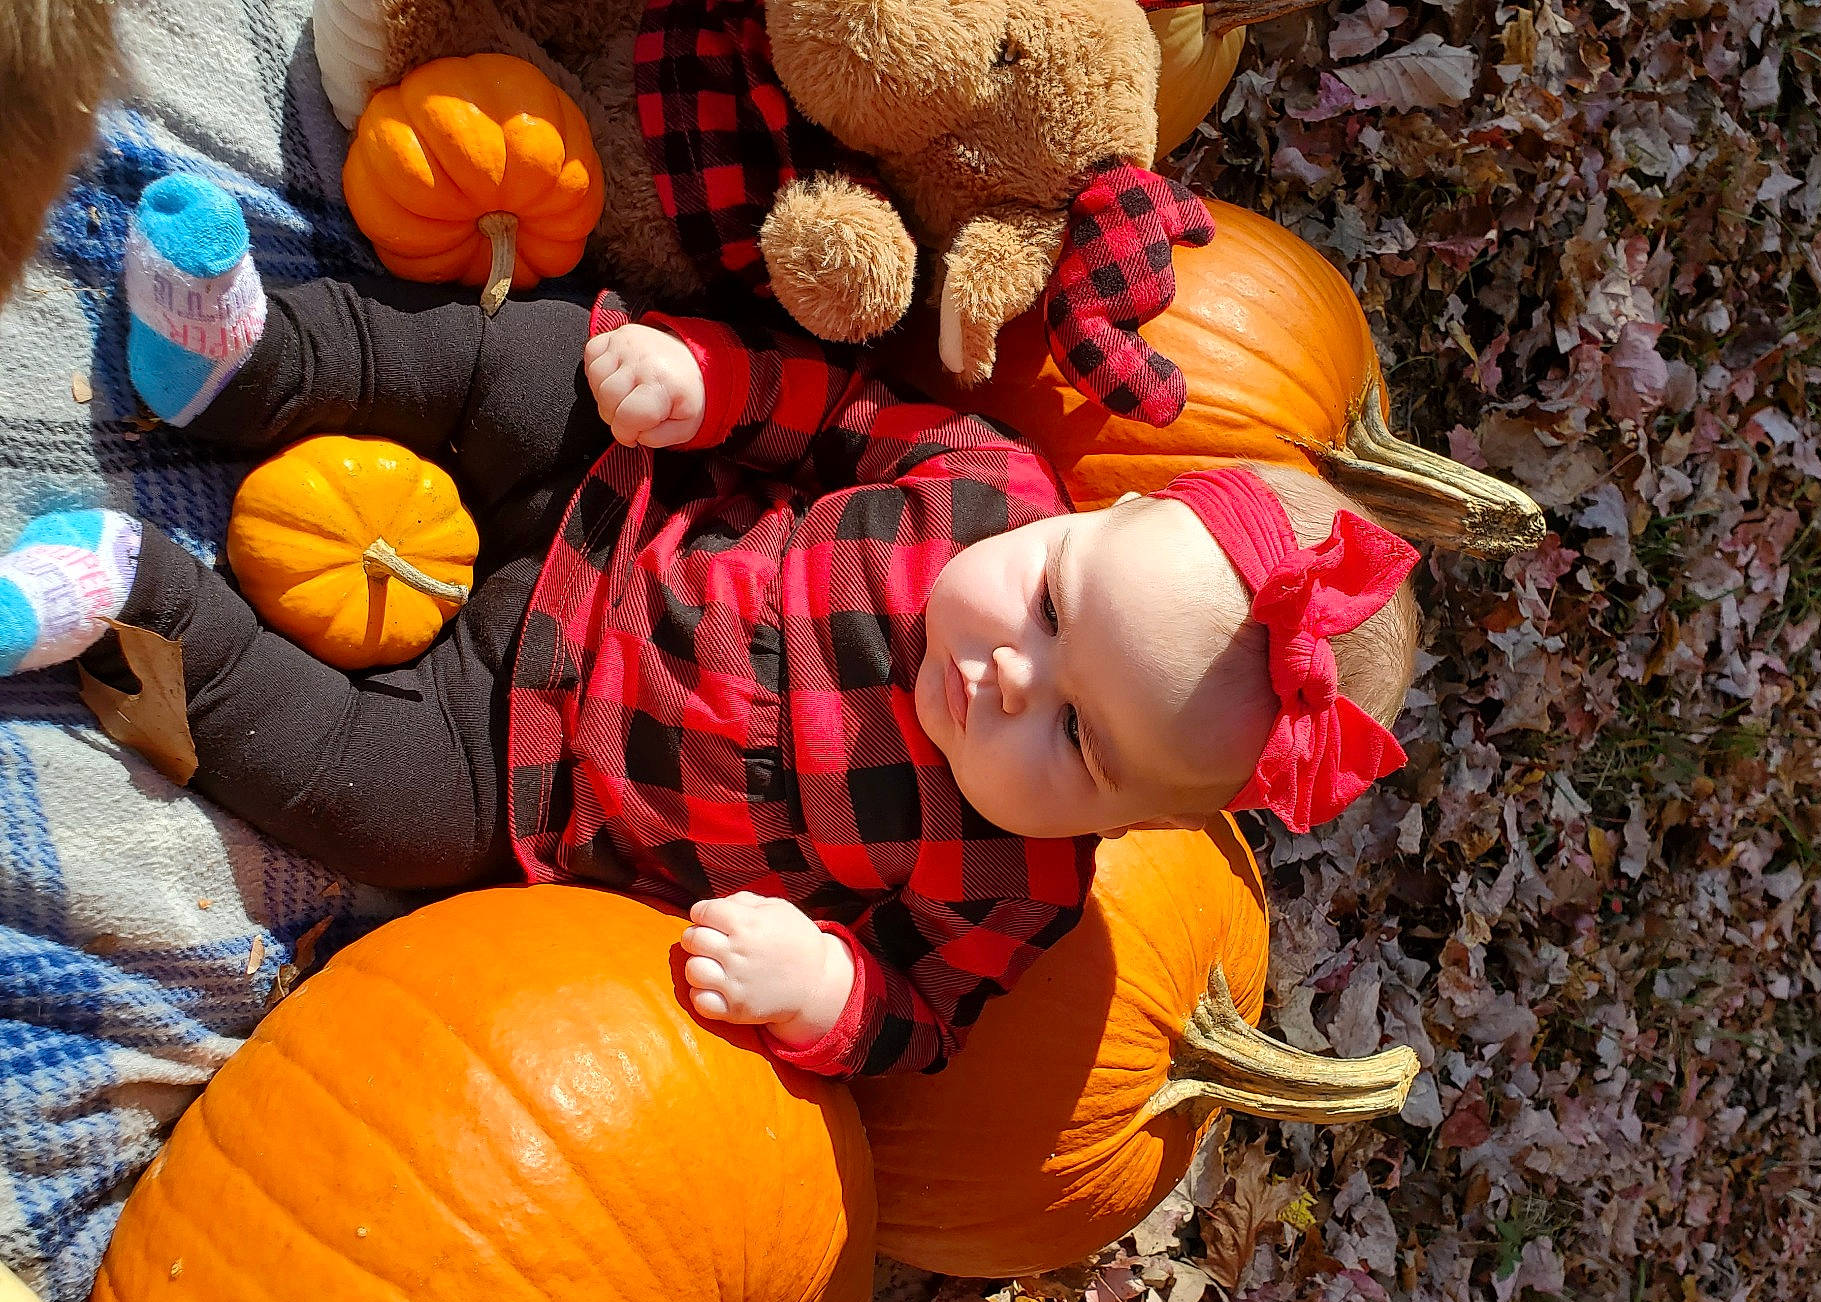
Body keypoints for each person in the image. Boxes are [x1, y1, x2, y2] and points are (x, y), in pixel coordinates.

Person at [0, 173, 1421, 1078]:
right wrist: (709, 386)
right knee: (529, 359)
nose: (1007, 675)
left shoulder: (1012, 889)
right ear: (1084, 519)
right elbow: (839, 412)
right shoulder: (987, 486)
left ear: (1141, 829)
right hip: (602, 499)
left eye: (1078, 736)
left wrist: (830, 990)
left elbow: (919, 1021)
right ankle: (249, 367)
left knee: (368, 807)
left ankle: (135, 598)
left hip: (530, 774)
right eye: (1053, 609)